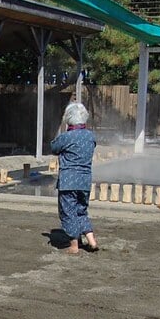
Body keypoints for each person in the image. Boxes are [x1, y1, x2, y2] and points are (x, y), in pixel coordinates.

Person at [49, 102, 98, 253]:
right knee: (81, 211)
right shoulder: (90, 136)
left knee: (68, 212)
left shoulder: (66, 137)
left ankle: (74, 245)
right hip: (85, 180)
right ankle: (91, 240)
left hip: (68, 181)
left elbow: (54, 148)